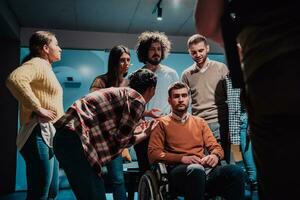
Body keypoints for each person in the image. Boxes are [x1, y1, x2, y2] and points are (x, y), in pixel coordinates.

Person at [194, 0, 300, 199]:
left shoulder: (232, 73)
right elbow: (234, 111)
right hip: (239, 129)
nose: (197, 54)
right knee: (243, 168)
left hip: (259, 103)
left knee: (261, 173)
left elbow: (206, 22)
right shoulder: (229, 78)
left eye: (200, 50)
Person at [53, 68, 158, 200]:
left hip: (65, 138)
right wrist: (145, 133)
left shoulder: (123, 93)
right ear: (152, 89)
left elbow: (110, 129)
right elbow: (122, 142)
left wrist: (135, 130)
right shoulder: (137, 100)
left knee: (90, 194)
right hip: (75, 140)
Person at [148, 82, 245, 200]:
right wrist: (182, 158)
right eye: (176, 96)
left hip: (204, 170)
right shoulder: (161, 123)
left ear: (189, 99)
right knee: (196, 170)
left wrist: (214, 156)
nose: (180, 99)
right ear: (169, 100)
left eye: (184, 96)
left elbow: (216, 147)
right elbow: (153, 154)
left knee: (236, 171)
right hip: (178, 172)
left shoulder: (200, 122)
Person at [6, 31, 64, 200]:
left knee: (51, 192)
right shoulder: (37, 63)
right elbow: (14, 79)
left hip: (49, 134)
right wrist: (37, 108)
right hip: (38, 133)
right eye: (56, 44)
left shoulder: (46, 68)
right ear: (45, 48)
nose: (60, 48)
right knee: (40, 193)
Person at [89, 45, 132, 200]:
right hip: (98, 137)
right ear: (114, 62)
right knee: (96, 178)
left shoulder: (128, 84)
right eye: (122, 60)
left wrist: (125, 145)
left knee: (118, 180)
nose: (126, 63)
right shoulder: (101, 81)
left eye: (128, 60)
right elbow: (92, 107)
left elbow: (129, 115)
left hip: (116, 139)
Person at [134, 31, 179, 172]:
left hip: (166, 129)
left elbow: (177, 101)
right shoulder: (135, 76)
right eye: (152, 49)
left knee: (168, 171)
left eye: (159, 49)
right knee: (145, 170)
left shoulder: (171, 73)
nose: (156, 52)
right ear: (144, 51)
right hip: (143, 130)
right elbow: (132, 107)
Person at [181, 34, 230, 162]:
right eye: (193, 52)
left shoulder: (221, 68)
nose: (198, 54)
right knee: (206, 165)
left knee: (224, 163)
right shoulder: (186, 74)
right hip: (199, 125)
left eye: (201, 50)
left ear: (207, 48)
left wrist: (232, 128)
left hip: (221, 123)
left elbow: (231, 98)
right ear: (189, 52)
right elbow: (184, 103)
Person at [226, 77, 257, 191]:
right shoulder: (228, 78)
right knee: (239, 163)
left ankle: (254, 188)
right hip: (235, 126)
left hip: (245, 123)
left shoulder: (247, 74)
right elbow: (232, 105)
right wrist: (230, 128)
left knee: (251, 169)